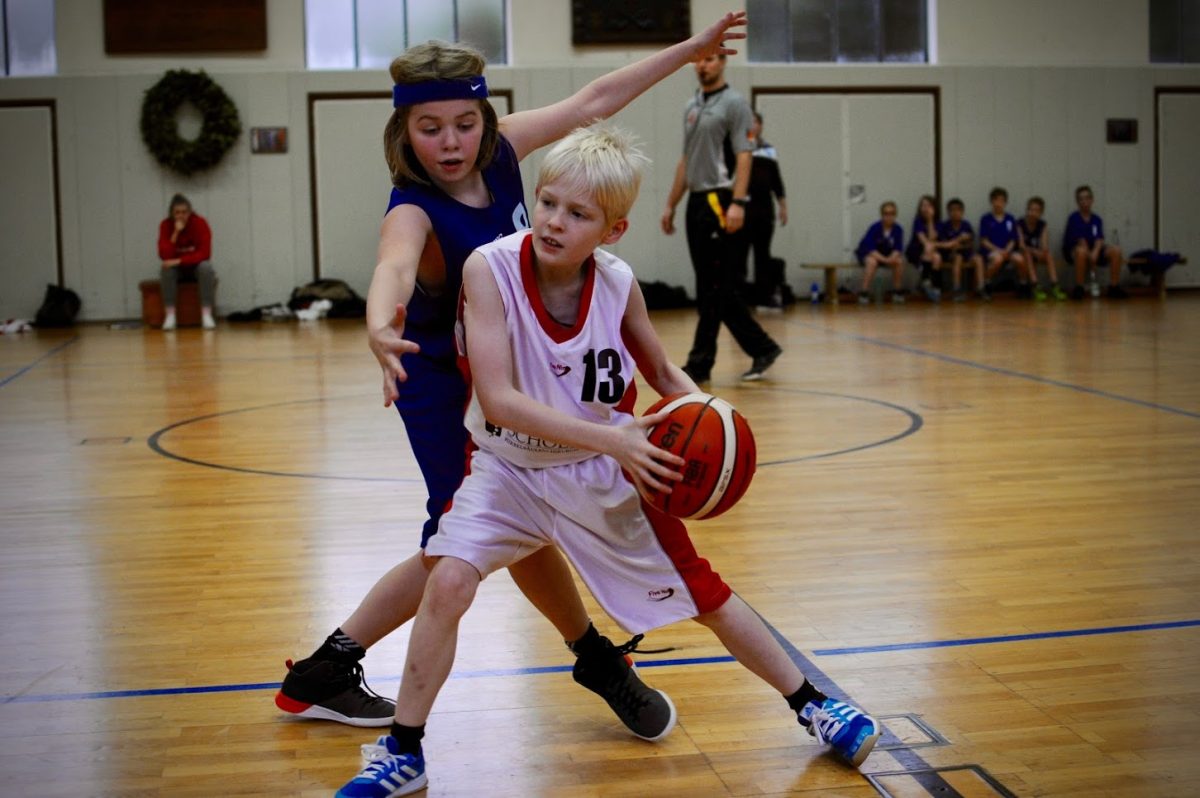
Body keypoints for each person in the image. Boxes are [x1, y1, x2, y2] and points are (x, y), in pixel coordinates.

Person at [334, 127, 880, 798]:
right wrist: (616, 439)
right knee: (448, 583)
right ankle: (405, 751)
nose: (557, 222)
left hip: (600, 475)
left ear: (613, 230)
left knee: (703, 593)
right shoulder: (490, 268)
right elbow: (499, 400)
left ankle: (817, 705)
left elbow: (659, 368)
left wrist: (717, 419)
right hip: (506, 468)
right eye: (550, 204)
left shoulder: (618, 285)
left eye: (580, 214)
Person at [275, 14, 752, 740]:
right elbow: (393, 266)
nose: (451, 143)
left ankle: (327, 669)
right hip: (443, 383)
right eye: (430, 128)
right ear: (404, 133)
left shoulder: (501, 158)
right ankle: (591, 658)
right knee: (469, 537)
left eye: (465, 123)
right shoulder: (414, 207)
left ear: (484, 120)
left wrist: (690, 50)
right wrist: (379, 322)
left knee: (500, 532)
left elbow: (594, 102)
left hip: (512, 367)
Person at [661, 53, 783, 383]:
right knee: (712, 287)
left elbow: (744, 155)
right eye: (699, 60)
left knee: (714, 286)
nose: (703, 65)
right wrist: (672, 204)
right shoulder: (692, 106)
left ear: (722, 63)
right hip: (697, 202)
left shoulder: (735, 104)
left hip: (721, 198)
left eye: (711, 59)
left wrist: (739, 202)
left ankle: (700, 364)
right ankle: (762, 347)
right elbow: (686, 160)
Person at [746, 110, 788, 309]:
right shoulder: (738, 147)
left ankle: (764, 296)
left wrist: (783, 205)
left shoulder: (769, 150)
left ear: (761, 126)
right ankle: (741, 297)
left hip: (764, 210)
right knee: (739, 255)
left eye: (756, 122)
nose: (753, 125)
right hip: (743, 209)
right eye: (749, 122)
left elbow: (777, 181)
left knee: (763, 255)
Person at [156, 194, 216, 330]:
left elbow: (205, 254)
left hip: (195, 267)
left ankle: (206, 313)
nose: (181, 216)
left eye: (184, 212)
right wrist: (175, 233)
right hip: (177, 270)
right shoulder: (165, 225)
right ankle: (170, 315)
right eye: (177, 213)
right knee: (166, 269)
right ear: (172, 214)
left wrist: (179, 260)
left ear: (190, 212)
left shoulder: (200, 223)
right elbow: (164, 255)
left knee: (206, 268)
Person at [1063, 185, 1127, 299]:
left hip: (1094, 251)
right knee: (1081, 251)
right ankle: (1079, 288)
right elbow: (1080, 241)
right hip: (1077, 251)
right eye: (1081, 199)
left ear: (1092, 200)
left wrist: (1096, 252)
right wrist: (1090, 255)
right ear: (1077, 202)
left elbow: (1099, 238)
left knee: (1116, 251)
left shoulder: (1097, 219)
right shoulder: (1074, 218)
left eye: (1087, 198)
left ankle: (1114, 287)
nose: (1084, 201)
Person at [978, 187, 1028, 298]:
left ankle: (1023, 285)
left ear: (1005, 202)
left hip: (1007, 251)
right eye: (996, 200)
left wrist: (1007, 250)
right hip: (991, 251)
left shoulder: (1010, 219)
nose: (998, 203)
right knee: (998, 259)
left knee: (1020, 259)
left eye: (1001, 200)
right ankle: (987, 283)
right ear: (991, 201)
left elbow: (1013, 239)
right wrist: (998, 250)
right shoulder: (986, 219)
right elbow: (984, 241)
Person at [935, 198, 987, 302]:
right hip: (950, 254)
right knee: (958, 258)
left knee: (978, 258)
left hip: (966, 252)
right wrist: (958, 241)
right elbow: (944, 244)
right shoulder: (944, 226)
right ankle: (957, 289)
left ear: (962, 212)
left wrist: (960, 245)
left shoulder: (966, 225)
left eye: (958, 210)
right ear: (948, 212)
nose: (955, 213)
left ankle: (980, 288)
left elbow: (970, 243)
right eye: (952, 210)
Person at [854, 201, 906, 304]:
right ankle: (864, 292)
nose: (889, 216)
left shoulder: (898, 229)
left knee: (899, 261)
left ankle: (897, 292)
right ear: (882, 215)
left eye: (892, 213)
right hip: (869, 254)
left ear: (895, 215)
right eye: (886, 214)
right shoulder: (874, 228)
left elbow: (898, 249)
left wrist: (891, 258)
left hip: (887, 255)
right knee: (872, 262)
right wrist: (885, 260)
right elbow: (871, 249)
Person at [1017, 196, 1067, 301]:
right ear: (1027, 210)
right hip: (1023, 253)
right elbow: (1021, 245)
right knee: (1027, 254)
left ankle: (1054, 285)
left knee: (1048, 254)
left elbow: (1044, 245)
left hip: (1035, 252)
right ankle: (1035, 285)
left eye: (1036, 210)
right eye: (1030, 209)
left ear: (1041, 212)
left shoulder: (1042, 225)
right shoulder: (1020, 223)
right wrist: (1034, 251)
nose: (1032, 213)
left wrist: (1042, 252)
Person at [905, 194, 943, 302]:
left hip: (929, 251)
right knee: (929, 250)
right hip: (915, 250)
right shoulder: (918, 221)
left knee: (937, 257)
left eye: (928, 205)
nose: (926, 208)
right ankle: (925, 282)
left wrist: (930, 221)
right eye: (923, 205)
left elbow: (932, 238)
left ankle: (930, 284)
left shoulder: (938, 223)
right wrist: (930, 246)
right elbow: (924, 241)